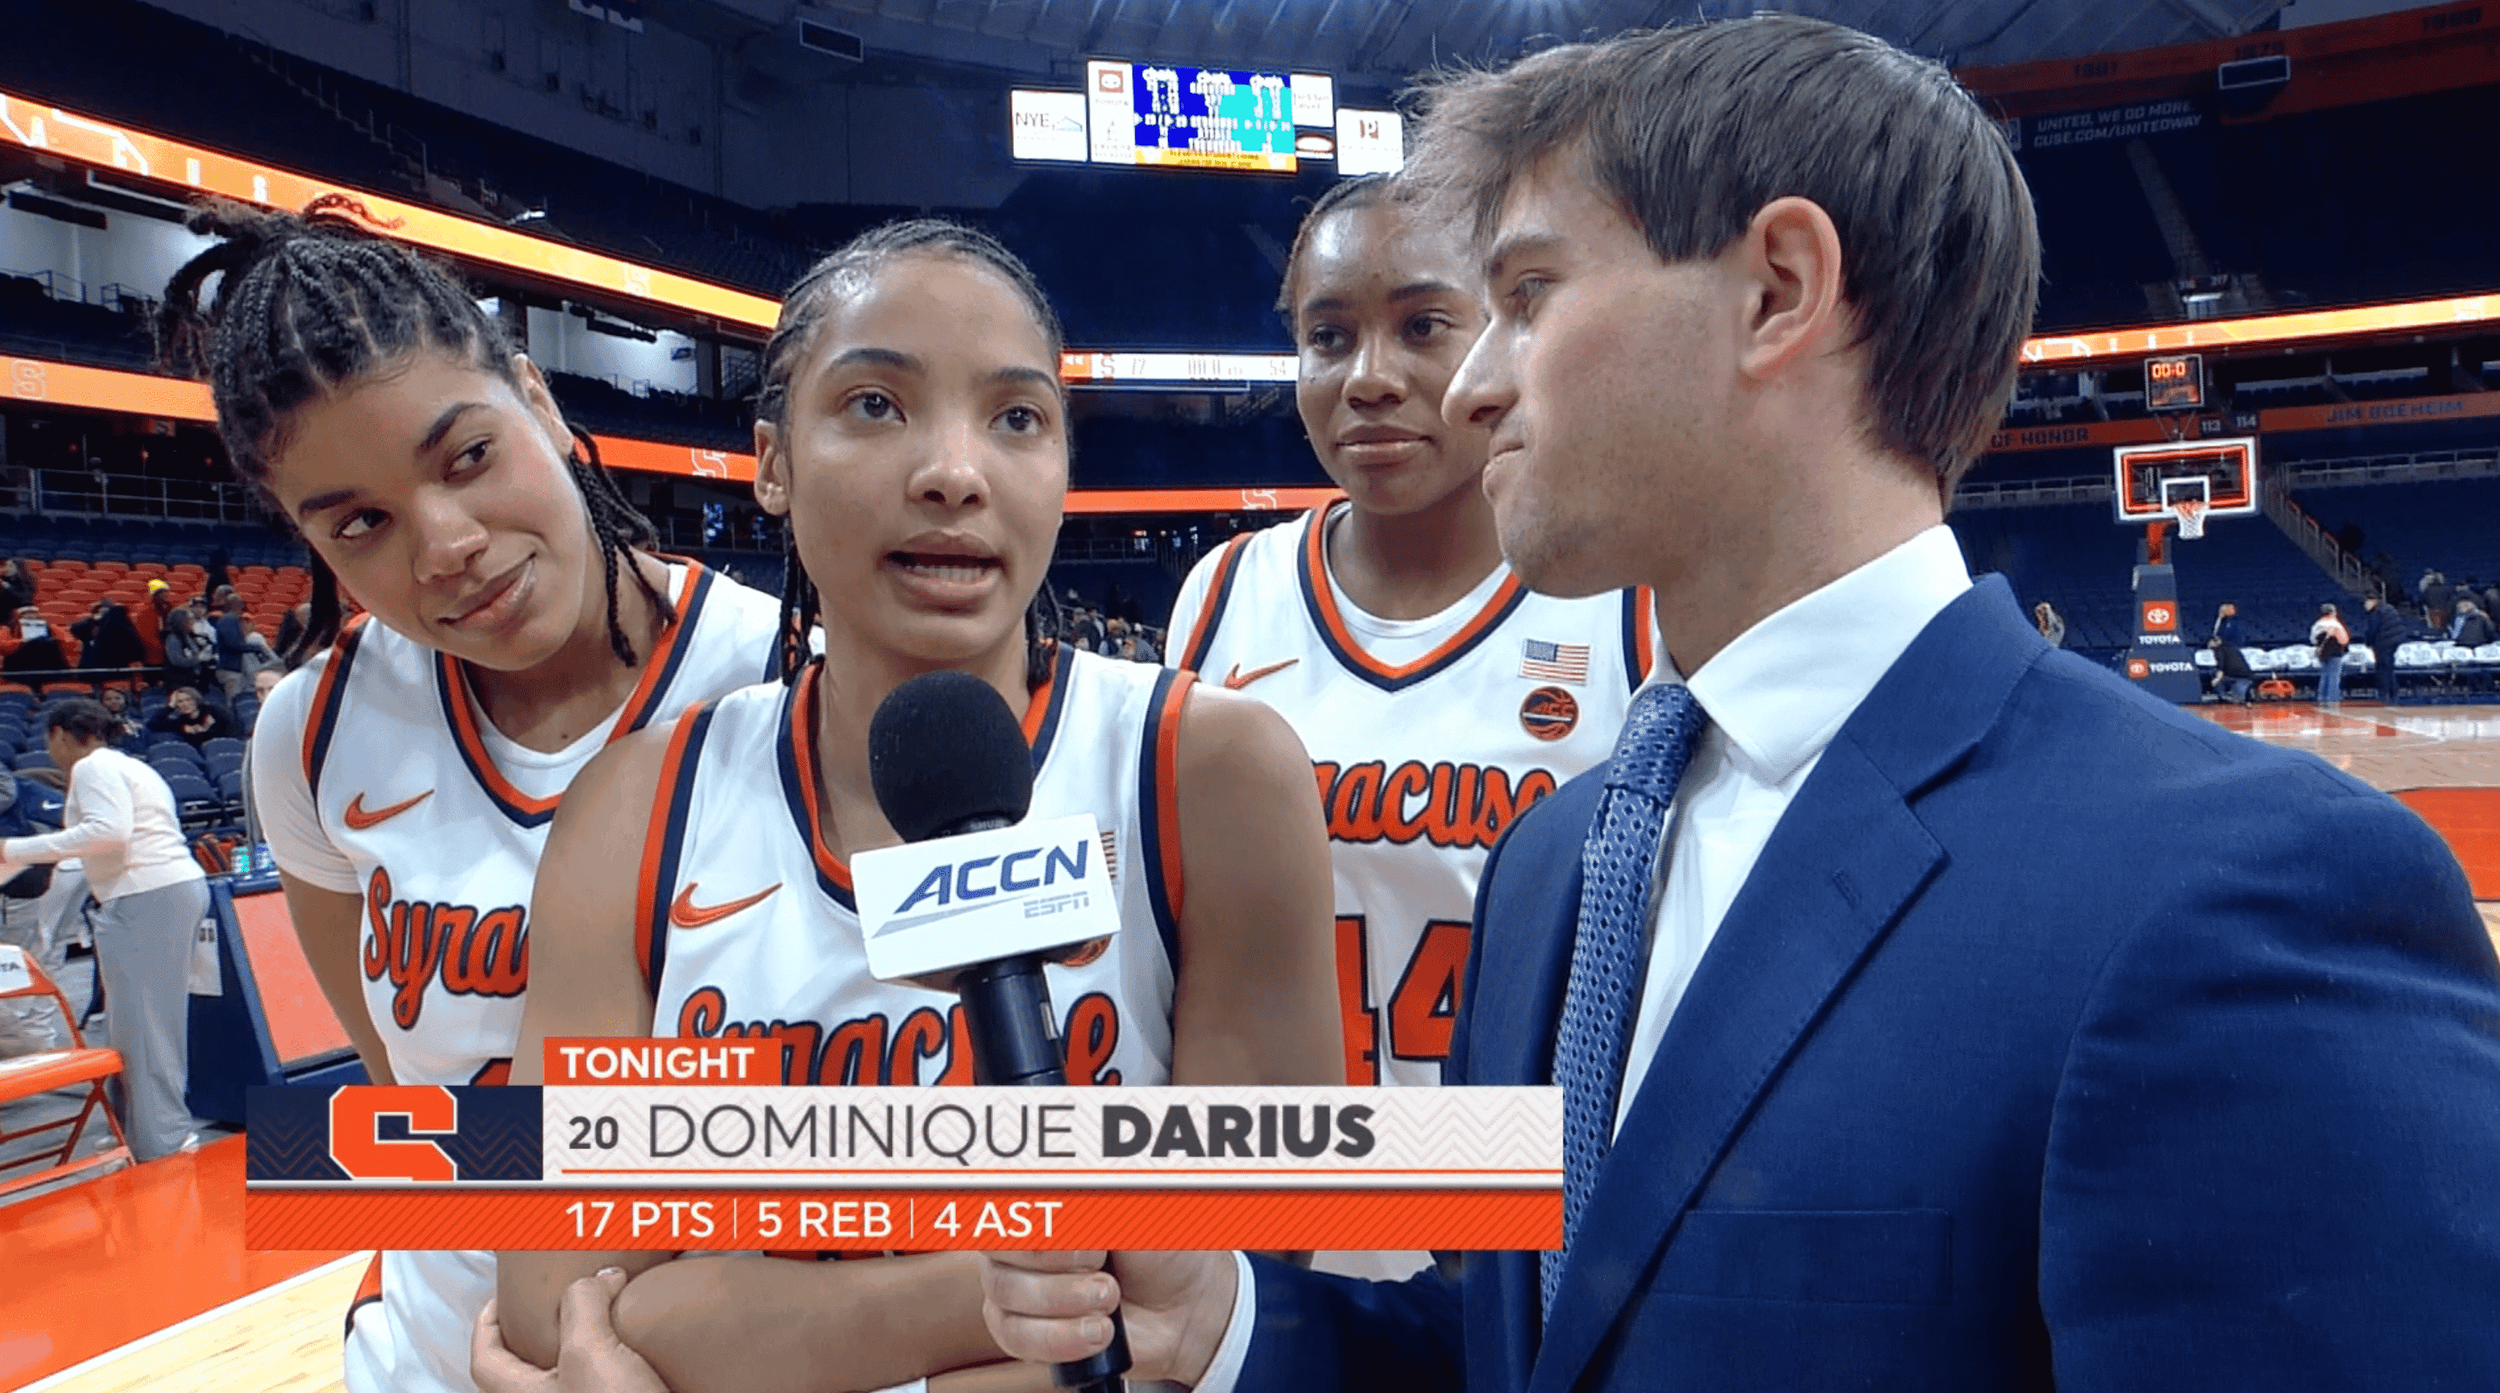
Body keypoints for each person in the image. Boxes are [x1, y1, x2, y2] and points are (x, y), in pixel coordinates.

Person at [981, 17, 2500, 1390]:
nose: (1467, 389)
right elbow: (1530, 1341)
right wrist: (1233, 1322)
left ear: (1777, 290)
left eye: (1526, 295)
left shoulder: (2250, 891)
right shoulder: (1558, 861)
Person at [489, 219, 1341, 1392]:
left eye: (1017, 417)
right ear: (771, 464)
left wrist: (708, 1324)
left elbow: (1237, 1276)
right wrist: (1025, 1291)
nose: (954, 469)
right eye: (877, 405)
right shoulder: (634, 808)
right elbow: (551, 1299)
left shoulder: (1213, 769)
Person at [158, 191, 787, 1393]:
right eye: (360, 523)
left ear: (538, 402)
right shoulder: (312, 735)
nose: (442, 542)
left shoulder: (783, 677)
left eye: (468, 457)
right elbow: (401, 1097)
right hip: (442, 1355)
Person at [1164, 173, 1650, 1280]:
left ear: (1501, 340)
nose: (1369, 378)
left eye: (1422, 325)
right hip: (1269, 1228)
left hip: (1531, 1230)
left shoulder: (1622, 599)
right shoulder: (1223, 593)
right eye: (1327, 336)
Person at [0, 700, 210, 1158]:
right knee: (134, 1026)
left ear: (58, 734)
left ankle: (164, 1141)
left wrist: (13, 847)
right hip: (158, 891)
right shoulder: (126, 766)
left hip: (146, 895)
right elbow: (97, 844)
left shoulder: (94, 768)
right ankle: (138, 1133)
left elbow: (108, 833)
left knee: (148, 1028)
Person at [147, 686, 235, 748]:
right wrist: (170, 707)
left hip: (222, 747)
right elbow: (153, 724)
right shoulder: (180, 722)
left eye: (188, 699)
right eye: (180, 701)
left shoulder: (214, 711)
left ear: (196, 700)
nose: (185, 704)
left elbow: (232, 729)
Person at [73, 599, 147, 671]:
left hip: (113, 668)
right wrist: (94, 620)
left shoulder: (119, 626)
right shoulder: (90, 627)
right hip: (90, 669)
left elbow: (136, 651)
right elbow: (75, 629)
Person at [2, 608, 71, 675]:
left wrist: (56, 639)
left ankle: (63, 674)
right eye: (25, 613)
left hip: (42, 660)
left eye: (33, 613)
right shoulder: (8, 629)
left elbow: (67, 639)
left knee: (48, 644)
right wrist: (21, 641)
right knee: (38, 643)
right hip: (20, 660)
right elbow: (3, 645)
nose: (30, 615)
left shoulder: (49, 626)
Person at [2311, 601, 2350, 706]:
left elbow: (2313, 640)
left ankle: (2322, 696)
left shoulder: (2317, 625)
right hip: (2335, 653)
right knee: (2334, 675)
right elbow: (2343, 641)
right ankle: (2332, 698)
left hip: (2323, 653)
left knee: (2324, 674)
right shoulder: (2336, 625)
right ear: (2333, 612)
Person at [2208, 635, 2255, 704]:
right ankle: (2246, 692)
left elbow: (2221, 667)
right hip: (2245, 676)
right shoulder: (2233, 647)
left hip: (2234, 676)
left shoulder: (2220, 650)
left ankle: (2223, 696)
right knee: (2239, 698)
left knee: (2214, 676)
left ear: (2215, 642)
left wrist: (2216, 680)